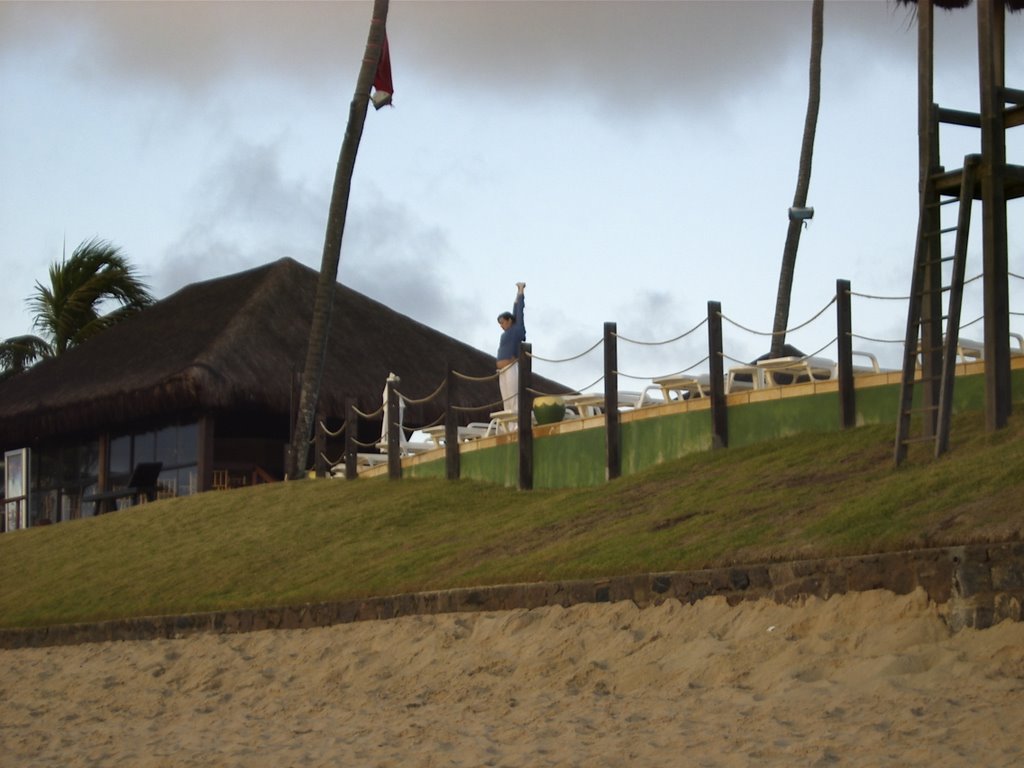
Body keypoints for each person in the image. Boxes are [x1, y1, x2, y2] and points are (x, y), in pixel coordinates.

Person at [496, 282, 526, 414]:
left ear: (509, 320)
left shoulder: (516, 329)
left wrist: (520, 291)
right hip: (501, 369)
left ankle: (516, 424)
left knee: (514, 398)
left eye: (502, 322)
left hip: (511, 366)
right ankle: (508, 425)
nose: (501, 325)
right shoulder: (506, 333)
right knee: (506, 400)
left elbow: (519, 310)